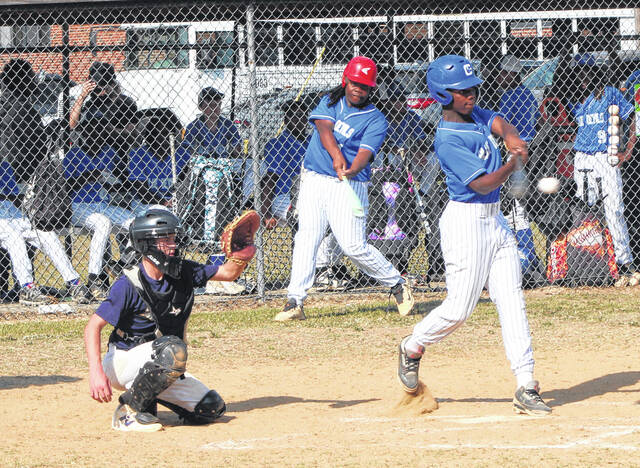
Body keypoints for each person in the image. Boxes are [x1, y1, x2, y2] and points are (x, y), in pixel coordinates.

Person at [397, 55, 551, 416]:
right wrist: (513, 164)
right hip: (465, 223)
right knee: (459, 310)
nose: (471, 95)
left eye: (473, 88)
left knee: (512, 300)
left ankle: (526, 384)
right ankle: (413, 344)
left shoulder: (475, 114)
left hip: (495, 222)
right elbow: (481, 184)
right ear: (442, 95)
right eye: (462, 91)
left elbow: (496, 120)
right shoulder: (447, 138)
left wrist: (511, 136)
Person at [84, 208, 254, 432]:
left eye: (173, 238)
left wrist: (242, 252)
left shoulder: (183, 271)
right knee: (173, 350)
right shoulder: (128, 284)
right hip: (122, 360)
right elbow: (92, 327)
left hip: (160, 359)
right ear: (146, 244)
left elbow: (229, 272)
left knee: (211, 408)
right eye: (165, 239)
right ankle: (129, 412)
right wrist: (96, 373)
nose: (173, 244)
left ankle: (147, 399)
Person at [275, 56, 415, 322]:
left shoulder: (376, 119)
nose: (357, 89)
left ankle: (397, 283)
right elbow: (324, 128)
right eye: (354, 83)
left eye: (364, 86)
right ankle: (295, 300)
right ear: (345, 80)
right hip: (314, 177)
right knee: (307, 237)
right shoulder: (330, 100)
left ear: (371, 89)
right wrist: (337, 155)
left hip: (350, 185)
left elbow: (365, 154)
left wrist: (351, 168)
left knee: (354, 246)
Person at [570, 54, 637, 275]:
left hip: (606, 156)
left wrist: (628, 149)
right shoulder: (576, 99)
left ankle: (624, 261)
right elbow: (560, 77)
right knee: (584, 207)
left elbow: (632, 116)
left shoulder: (610, 93)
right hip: (582, 157)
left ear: (596, 72)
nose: (582, 77)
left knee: (614, 209)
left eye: (587, 71)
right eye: (578, 72)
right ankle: (590, 261)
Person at [0, 160, 92, 305]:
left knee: (46, 234)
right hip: (2, 219)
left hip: (13, 212)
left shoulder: (4, 166)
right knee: (14, 238)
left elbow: (12, 196)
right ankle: (26, 287)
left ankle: (74, 282)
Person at [63, 116, 134, 300]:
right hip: (79, 206)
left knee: (136, 223)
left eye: (101, 132)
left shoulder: (109, 153)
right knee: (103, 223)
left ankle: (122, 265)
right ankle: (93, 279)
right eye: (91, 132)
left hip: (104, 204)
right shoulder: (74, 154)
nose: (96, 136)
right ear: (83, 134)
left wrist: (114, 184)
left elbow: (124, 180)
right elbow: (65, 187)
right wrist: (87, 176)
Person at [496, 55, 546, 287]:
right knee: (519, 207)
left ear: (513, 74)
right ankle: (530, 254)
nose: (500, 77)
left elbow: (502, 126)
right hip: (529, 151)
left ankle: (528, 253)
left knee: (514, 207)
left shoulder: (511, 94)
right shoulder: (527, 93)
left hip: (514, 153)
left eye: (504, 73)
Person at [69, 62, 139, 167]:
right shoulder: (88, 104)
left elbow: (134, 135)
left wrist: (108, 129)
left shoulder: (124, 103)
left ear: (112, 84)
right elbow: (72, 124)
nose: (100, 93)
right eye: (96, 89)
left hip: (117, 157)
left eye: (103, 88)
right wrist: (82, 96)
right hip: (91, 157)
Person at [259, 99, 310, 230]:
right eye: (295, 116)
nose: (300, 120)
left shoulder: (312, 142)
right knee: (303, 215)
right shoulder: (278, 143)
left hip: (311, 193)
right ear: (286, 121)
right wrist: (266, 213)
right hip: (284, 195)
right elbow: (269, 179)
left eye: (302, 116)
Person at [127, 109, 188, 215]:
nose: (162, 137)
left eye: (166, 133)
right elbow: (142, 191)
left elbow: (187, 184)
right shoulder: (137, 154)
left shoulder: (181, 154)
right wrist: (164, 203)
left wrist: (177, 200)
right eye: (155, 133)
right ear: (148, 136)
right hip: (145, 204)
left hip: (175, 202)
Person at [0, 58, 47, 184]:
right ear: (23, 81)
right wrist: (51, 129)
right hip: (20, 173)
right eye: (31, 76)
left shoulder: (6, 103)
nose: (34, 80)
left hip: (8, 169)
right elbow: (41, 145)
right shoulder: (24, 108)